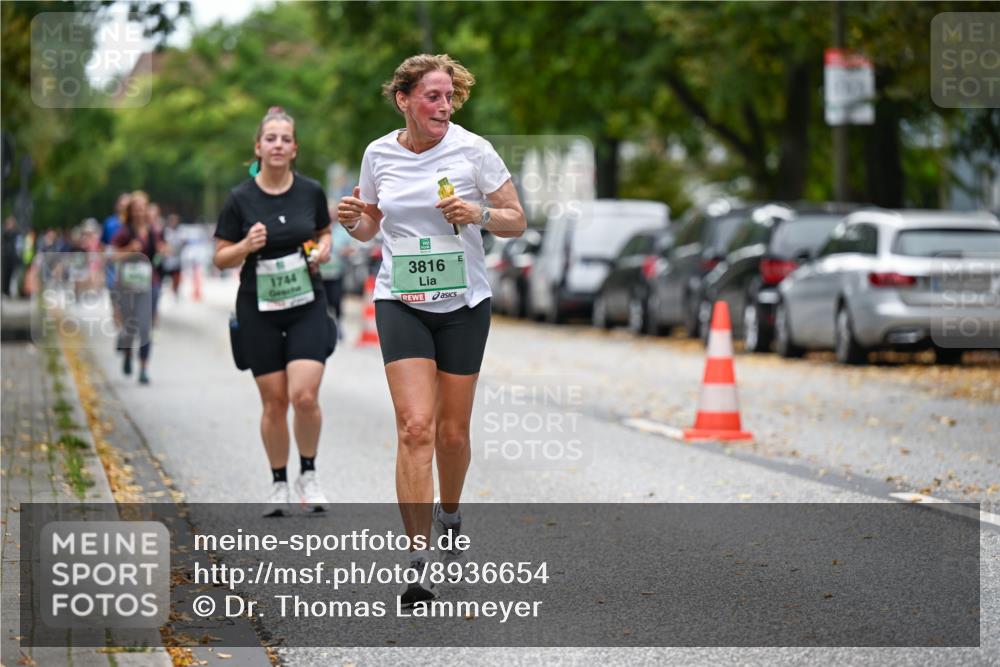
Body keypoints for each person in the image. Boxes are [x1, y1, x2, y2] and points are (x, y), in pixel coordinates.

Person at [337, 54, 526, 606]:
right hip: (401, 299)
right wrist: (354, 221)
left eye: (449, 98)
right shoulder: (378, 153)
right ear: (404, 100)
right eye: (432, 97)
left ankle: (449, 514)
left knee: (451, 433)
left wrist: (479, 215)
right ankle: (418, 560)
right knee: (415, 426)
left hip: (464, 302)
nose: (444, 106)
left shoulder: (473, 150)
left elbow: (516, 218)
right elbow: (371, 225)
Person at [213, 106, 336, 516]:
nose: (278, 145)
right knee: (274, 401)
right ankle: (279, 482)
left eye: (286, 139)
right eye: (271, 138)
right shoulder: (240, 199)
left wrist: (323, 251)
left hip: (306, 302)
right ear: (258, 147)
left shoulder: (311, 191)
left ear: (295, 148)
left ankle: (310, 474)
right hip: (258, 307)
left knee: (304, 395)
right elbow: (220, 258)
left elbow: (324, 233)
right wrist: (245, 246)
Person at [111, 191, 166, 385]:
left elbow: (164, 249)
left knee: (145, 327)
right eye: (136, 209)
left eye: (142, 208)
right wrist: (128, 250)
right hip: (128, 286)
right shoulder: (123, 232)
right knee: (130, 325)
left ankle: (143, 368)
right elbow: (112, 256)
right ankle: (127, 353)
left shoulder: (153, 231)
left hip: (149, 284)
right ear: (130, 211)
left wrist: (163, 250)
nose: (140, 212)